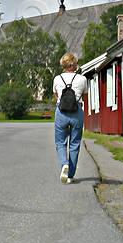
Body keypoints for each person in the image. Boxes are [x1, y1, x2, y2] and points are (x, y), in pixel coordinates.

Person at [52, 53, 88, 184]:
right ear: (74, 65)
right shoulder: (82, 79)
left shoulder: (57, 78)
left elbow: (56, 96)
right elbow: (85, 97)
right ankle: (71, 175)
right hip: (77, 112)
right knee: (74, 143)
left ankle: (64, 164)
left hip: (61, 113)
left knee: (60, 142)